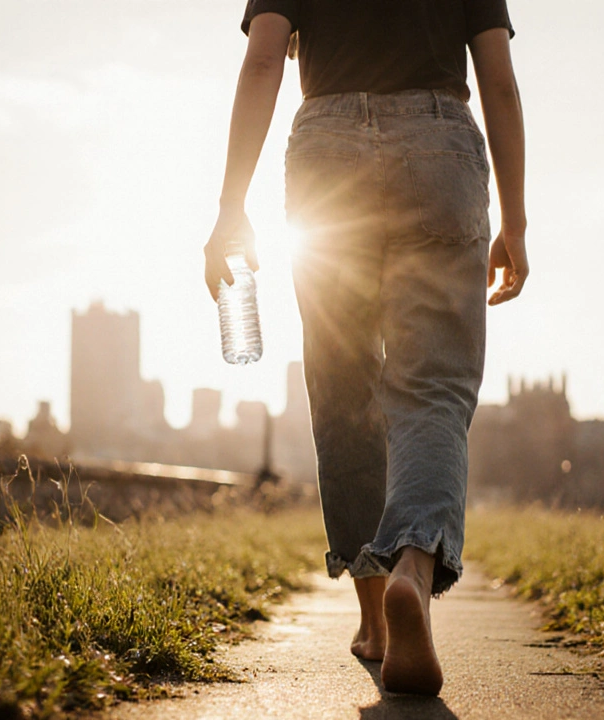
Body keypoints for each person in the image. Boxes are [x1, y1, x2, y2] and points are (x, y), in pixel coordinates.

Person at [204, 0, 527, 697]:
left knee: (344, 386)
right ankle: (414, 564)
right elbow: (498, 80)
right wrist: (517, 222)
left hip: (328, 153)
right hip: (440, 148)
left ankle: (377, 619)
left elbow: (265, 56)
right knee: (432, 388)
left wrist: (232, 207)